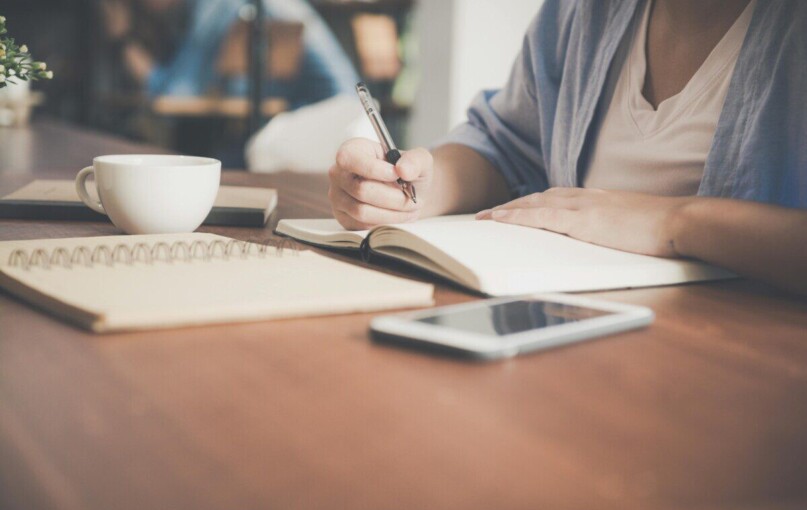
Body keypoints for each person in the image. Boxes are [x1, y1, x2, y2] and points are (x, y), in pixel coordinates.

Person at [328, 0, 807, 295]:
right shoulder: (581, 12)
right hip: (570, 330)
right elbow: (504, 146)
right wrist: (421, 188)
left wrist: (672, 222)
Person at [100, 0, 358, 108]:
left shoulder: (215, 6)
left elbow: (175, 94)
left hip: (330, 120)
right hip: (335, 112)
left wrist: (122, 37)